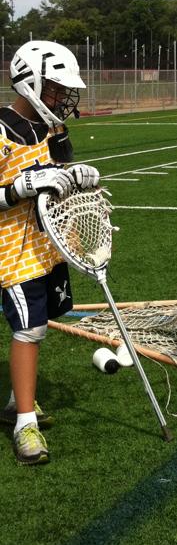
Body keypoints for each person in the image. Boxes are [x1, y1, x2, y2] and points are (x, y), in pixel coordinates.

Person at [0, 41, 100, 465]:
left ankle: (13, 403)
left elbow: (60, 177)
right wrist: (19, 188)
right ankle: (26, 424)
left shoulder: (51, 130)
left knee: (39, 323)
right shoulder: (1, 129)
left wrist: (76, 176)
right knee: (29, 330)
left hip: (45, 245)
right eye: (56, 89)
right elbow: (19, 188)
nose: (62, 98)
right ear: (31, 82)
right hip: (10, 252)